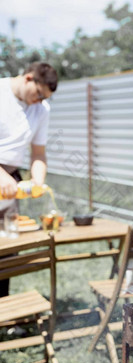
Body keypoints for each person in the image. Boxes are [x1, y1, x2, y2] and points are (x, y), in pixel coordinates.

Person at [0, 62, 58, 296]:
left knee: (8, 248)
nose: (41, 100)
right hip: (3, 176)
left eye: (45, 97)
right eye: (39, 93)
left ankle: (3, 314)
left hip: (10, 180)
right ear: (28, 78)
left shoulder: (42, 109)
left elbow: (38, 153)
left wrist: (37, 181)